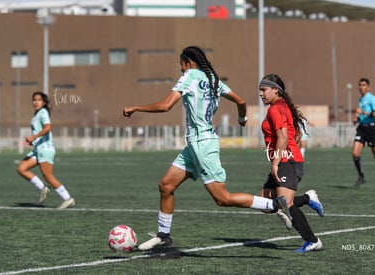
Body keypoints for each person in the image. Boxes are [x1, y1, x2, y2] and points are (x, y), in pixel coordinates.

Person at [122, 46, 291, 251]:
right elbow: (241, 101)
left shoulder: (190, 75)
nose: (181, 70)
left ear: (188, 62)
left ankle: (274, 205)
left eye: (181, 65)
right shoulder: (213, 79)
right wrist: (241, 118)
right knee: (166, 186)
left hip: (202, 144)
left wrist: (136, 107)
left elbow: (166, 106)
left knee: (222, 198)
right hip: (195, 145)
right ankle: (163, 235)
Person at [258, 73, 323, 252]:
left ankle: (313, 241)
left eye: (264, 90)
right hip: (284, 159)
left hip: (288, 160)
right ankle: (309, 198)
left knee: (285, 203)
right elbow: (292, 132)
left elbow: (283, 136)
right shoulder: (281, 106)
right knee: (266, 204)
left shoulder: (275, 109)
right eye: (260, 90)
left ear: (275, 90)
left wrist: (275, 162)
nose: (261, 94)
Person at [17, 91, 75, 209]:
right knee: (21, 169)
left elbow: (48, 127)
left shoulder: (43, 112)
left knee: (48, 176)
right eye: (34, 100)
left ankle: (68, 199)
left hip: (45, 149)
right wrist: (34, 140)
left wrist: (33, 137)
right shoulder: (37, 114)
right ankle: (43, 188)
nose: (36, 102)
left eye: (39, 100)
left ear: (43, 102)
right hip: (38, 149)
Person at [352, 77, 375, 189]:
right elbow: (360, 115)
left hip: (371, 129)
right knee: (355, 153)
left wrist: (363, 112)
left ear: (368, 87)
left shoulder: (372, 98)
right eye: (359, 85)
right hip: (361, 128)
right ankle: (361, 176)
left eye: (363, 85)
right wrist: (357, 119)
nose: (361, 87)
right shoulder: (360, 100)